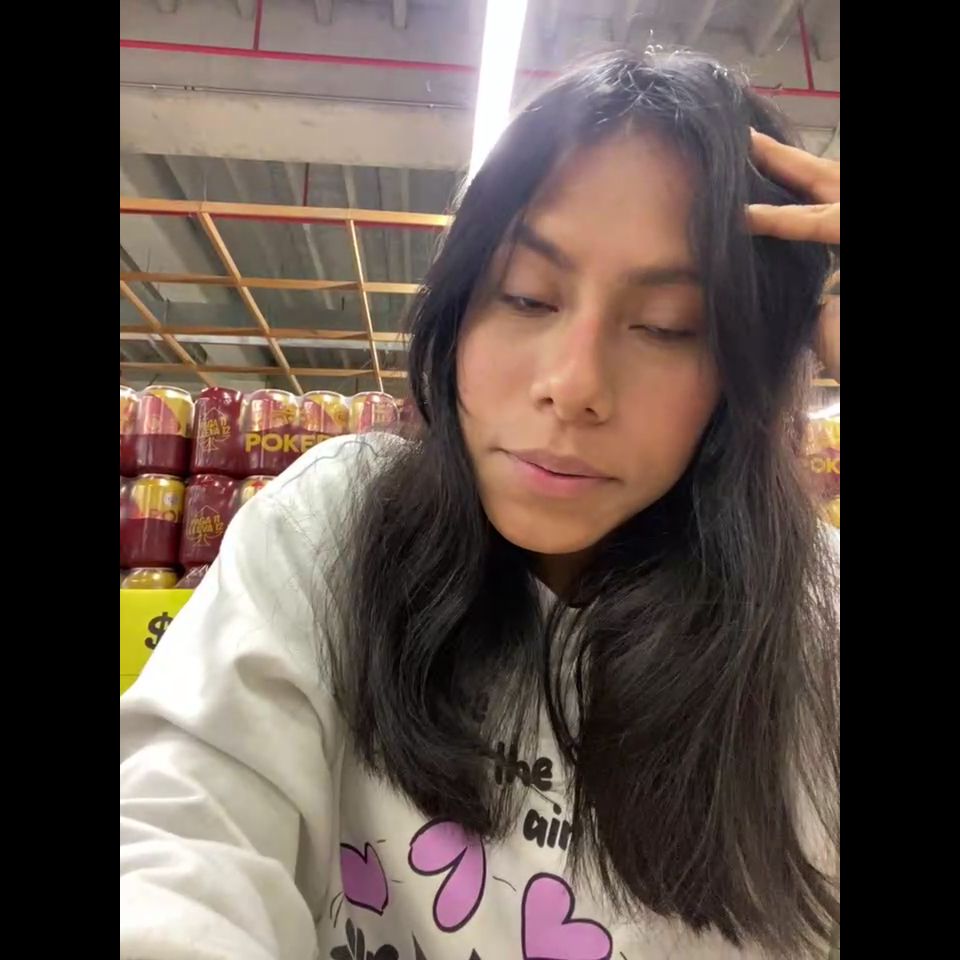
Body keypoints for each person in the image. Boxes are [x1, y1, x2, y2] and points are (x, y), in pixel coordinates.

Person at [120, 51, 840, 960]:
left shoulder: (816, 632)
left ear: (748, 374)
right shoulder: (331, 528)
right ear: (459, 308)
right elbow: (176, 832)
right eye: (527, 295)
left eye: (668, 327)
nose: (573, 385)